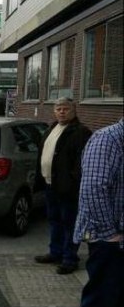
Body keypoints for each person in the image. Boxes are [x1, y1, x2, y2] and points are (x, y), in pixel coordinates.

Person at [34, 97, 92, 275]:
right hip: (50, 184)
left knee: (69, 223)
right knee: (54, 221)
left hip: (68, 189)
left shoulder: (80, 132)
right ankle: (55, 252)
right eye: (58, 109)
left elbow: (82, 162)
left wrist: (73, 183)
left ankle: (70, 259)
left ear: (74, 110)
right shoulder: (52, 128)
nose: (61, 112)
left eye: (65, 109)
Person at [73, 118, 123, 307]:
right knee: (103, 297)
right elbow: (93, 189)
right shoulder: (107, 139)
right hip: (109, 240)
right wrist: (109, 233)